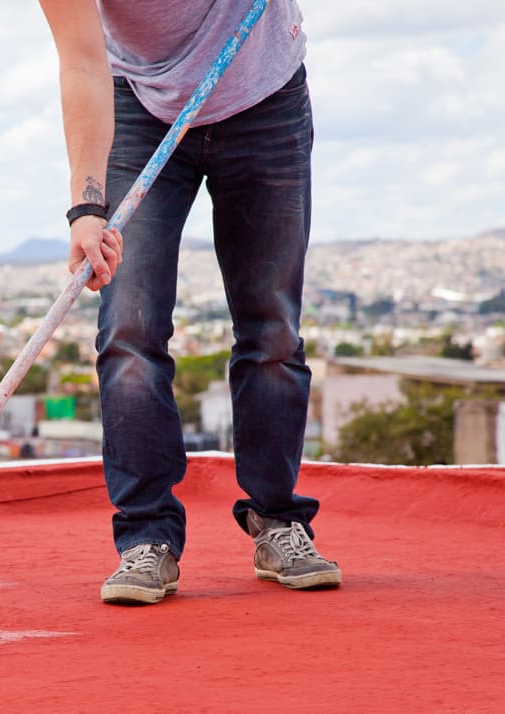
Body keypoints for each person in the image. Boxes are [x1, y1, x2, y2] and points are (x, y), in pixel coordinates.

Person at [38, 0, 341, 604]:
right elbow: (81, 64)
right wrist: (87, 208)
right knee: (129, 329)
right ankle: (146, 539)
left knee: (272, 328)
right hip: (138, 104)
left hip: (264, 95)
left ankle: (278, 519)